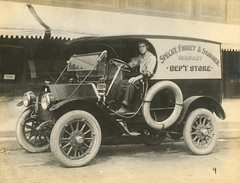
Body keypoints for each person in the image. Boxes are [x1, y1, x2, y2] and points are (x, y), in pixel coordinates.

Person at [114, 41, 157, 113]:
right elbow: (132, 64)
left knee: (131, 84)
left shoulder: (152, 57)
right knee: (121, 83)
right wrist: (119, 65)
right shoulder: (140, 57)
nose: (141, 48)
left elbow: (148, 73)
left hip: (145, 80)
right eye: (140, 47)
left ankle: (125, 106)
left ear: (147, 47)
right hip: (140, 78)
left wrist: (136, 78)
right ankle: (116, 103)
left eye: (143, 46)